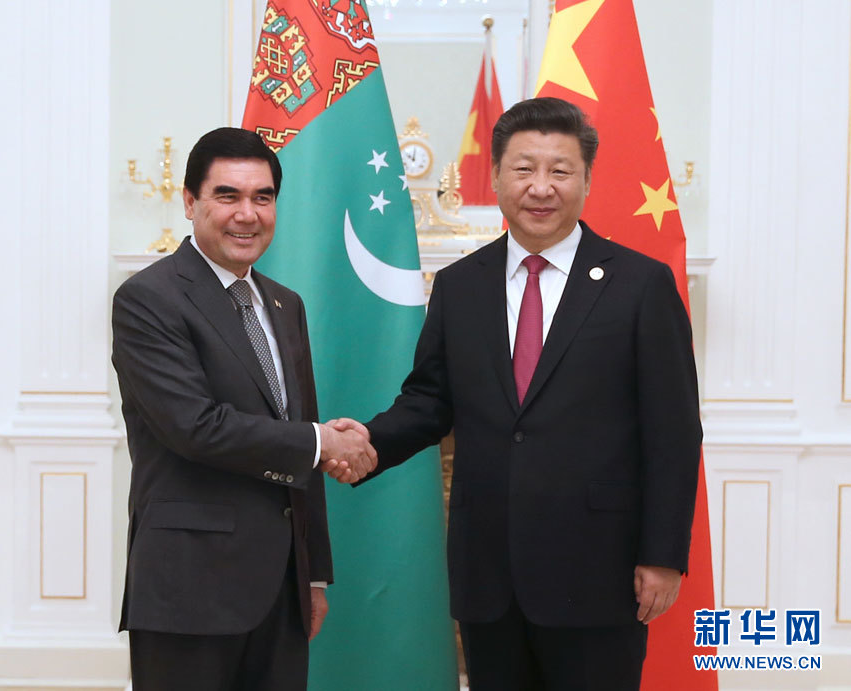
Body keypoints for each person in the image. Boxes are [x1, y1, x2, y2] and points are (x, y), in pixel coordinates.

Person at [326, 98, 702, 690]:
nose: (541, 187)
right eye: (524, 169)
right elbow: (429, 401)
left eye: (560, 170)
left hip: (600, 571)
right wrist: (367, 440)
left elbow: (674, 433)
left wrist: (662, 555)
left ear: (586, 180)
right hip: (489, 573)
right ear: (496, 176)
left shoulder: (640, 285)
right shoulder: (460, 285)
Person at [112, 127, 376, 691]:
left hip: (282, 589)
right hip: (189, 589)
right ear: (190, 201)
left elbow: (298, 435)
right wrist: (323, 442)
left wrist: (314, 576)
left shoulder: (285, 303)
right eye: (227, 195)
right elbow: (195, 427)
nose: (247, 214)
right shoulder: (148, 299)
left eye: (262, 197)